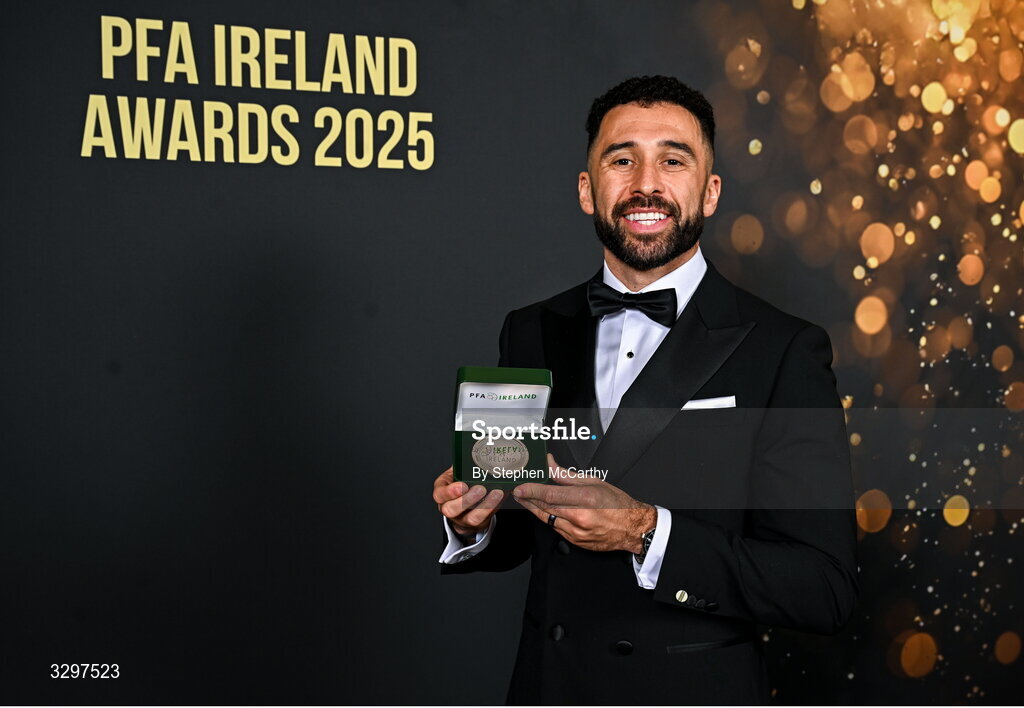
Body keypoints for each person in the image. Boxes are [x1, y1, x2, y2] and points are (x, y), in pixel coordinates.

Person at [432, 75, 858, 705]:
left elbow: (823, 588)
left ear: (710, 192)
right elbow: (526, 522)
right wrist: (478, 521)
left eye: (673, 160)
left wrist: (643, 530)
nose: (646, 184)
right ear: (587, 189)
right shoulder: (530, 330)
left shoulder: (784, 350)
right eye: (622, 159)